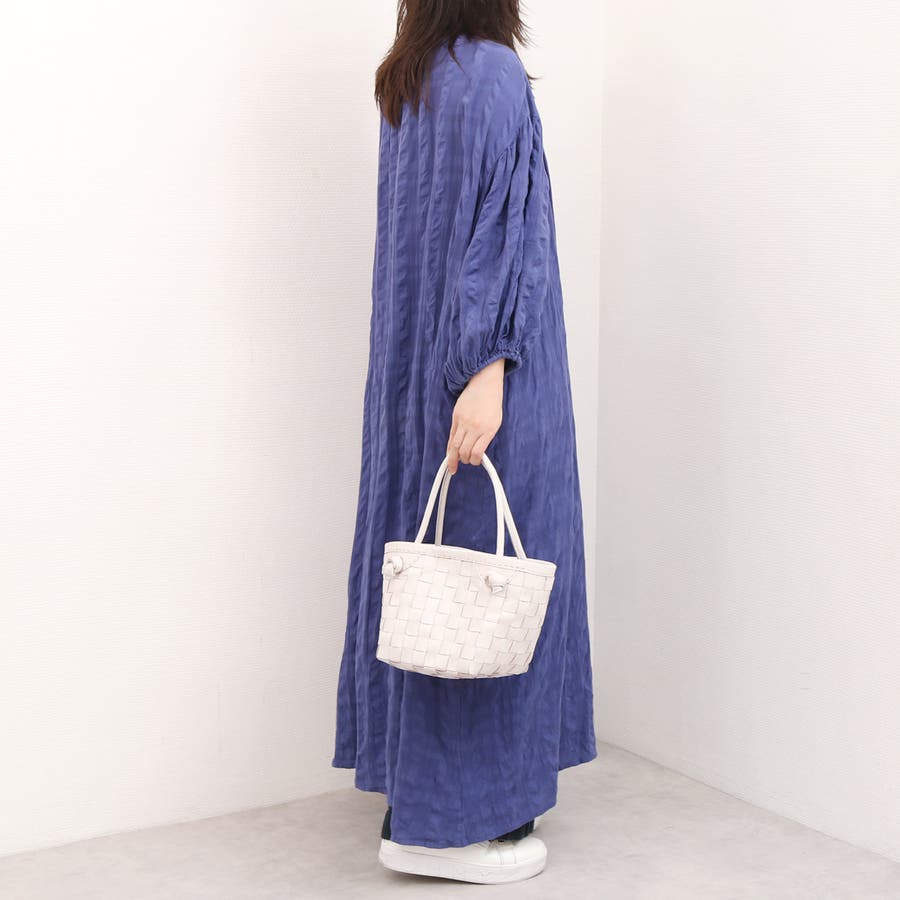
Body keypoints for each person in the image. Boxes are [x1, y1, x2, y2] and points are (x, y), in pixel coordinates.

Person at [331, 0, 598, 885]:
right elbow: (501, 235)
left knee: (438, 575)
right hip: (489, 373)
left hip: (417, 380)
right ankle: (456, 824)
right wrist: (486, 369)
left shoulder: (407, 80)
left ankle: (422, 799)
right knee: (488, 576)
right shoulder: (488, 72)